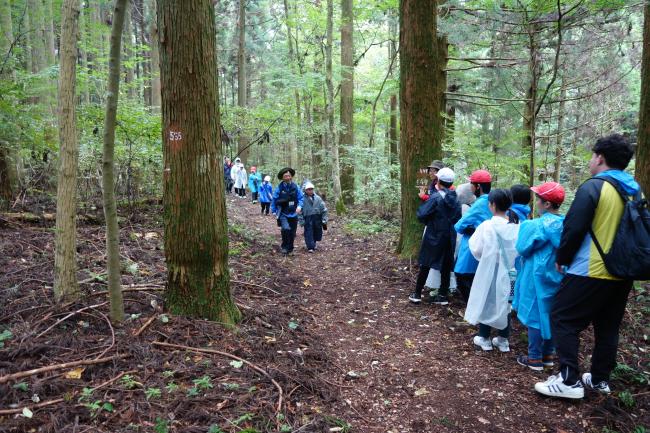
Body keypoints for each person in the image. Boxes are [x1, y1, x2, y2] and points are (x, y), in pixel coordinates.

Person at [535, 134, 639, 399]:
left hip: (590, 268)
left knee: (562, 317)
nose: (591, 161)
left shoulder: (594, 186)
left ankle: (569, 379)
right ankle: (600, 379)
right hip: (623, 271)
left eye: (593, 156)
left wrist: (562, 257)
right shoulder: (634, 189)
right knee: (608, 325)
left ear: (600, 158)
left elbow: (574, 226)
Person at [512, 182, 565, 371]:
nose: (537, 202)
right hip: (558, 275)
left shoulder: (535, 225)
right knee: (551, 313)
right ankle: (548, 355)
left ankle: (534, 358)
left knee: (534, 313)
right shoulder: (567, 223)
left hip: (536, 275)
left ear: (547, 204)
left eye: (539, 199)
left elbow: (522, 248)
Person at [465, 189, 519, 352]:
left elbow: (476, 248)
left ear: (493, 205)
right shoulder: (516, 226)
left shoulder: (487, 226)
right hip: (510, 271)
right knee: (506, 302)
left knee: (487, 300)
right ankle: (503, 340)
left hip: (489, 269)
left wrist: (486, 257)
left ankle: (484, 337)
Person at [409, 167, 462, 305]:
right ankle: (443, 295)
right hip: (449, 235)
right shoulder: (455, 198)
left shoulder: (436, 197)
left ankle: (417, 293)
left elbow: (422, 214)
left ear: (438, 180)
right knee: (446, 264)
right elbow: (458, 217)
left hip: (434, 234)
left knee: (426, 263)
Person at [453, 169, 493, 303]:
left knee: (462, 275)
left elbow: (459, 225)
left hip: (472, 245)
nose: (470, 186)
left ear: (478, 187)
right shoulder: (493, 200)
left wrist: (469, 228)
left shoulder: (480, 203)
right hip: (488, 246)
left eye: (471, 183)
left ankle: (474, 310)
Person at [271, 167, 304, 255]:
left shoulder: (296, 186)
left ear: (291, 176)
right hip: (283, 213)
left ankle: (290, 249)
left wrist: (300, 206)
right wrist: (273, 211)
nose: (288, 177)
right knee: (285, 229)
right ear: (282, 178)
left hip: (294, 213)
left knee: (292, 232)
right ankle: (284, 247)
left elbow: (301, 198)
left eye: (289, 176)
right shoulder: (279, 188)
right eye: (285, 176)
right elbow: (274, 199)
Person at [299, 181, 328, 252]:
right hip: (307, 217)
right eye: (308, 189)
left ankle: (313, 244)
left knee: (317, 231)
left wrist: (324, 219)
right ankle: (310, 247)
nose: (310, 190)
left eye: (311, 189)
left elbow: (323, 209)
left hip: (317, 217)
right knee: (308, 232)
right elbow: (299, 211)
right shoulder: (302, 199)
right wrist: (301, 220)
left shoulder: (318, 198)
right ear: (305, 190)